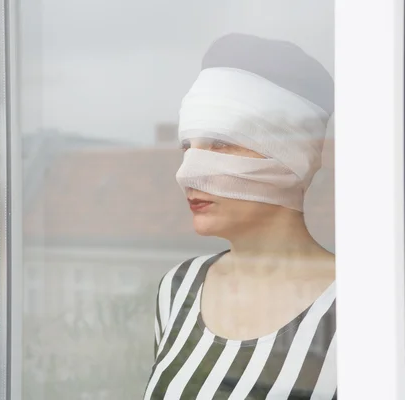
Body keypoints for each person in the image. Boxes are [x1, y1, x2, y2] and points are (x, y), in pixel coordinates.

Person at [144, 33, 336, 400]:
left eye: (220, 144)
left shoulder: (369, 307)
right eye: (187, 146)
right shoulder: (180, 288)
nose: (186, 173)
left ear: (292, 155)